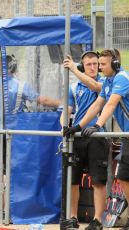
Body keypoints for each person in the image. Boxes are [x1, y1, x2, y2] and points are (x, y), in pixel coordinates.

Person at [65, 49, 129, 230]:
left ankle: (102, 219)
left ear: (115, 64)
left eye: (102, 64)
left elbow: (111, 104)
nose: (99, 68)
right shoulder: (109, 81)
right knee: (124, 177)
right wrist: (78, 127)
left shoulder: (121, 78)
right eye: (96, 64)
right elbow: (97, 105)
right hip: (127, 135)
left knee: (122, 177)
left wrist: (98, 125)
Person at [62, 51, 109, 230]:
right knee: (73, 179)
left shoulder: (104, 81)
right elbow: (67, 109)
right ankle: (73, 217)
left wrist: (74, 69)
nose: (92, 67)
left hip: (97, 137)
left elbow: (96, 87)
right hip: (77, 137)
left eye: (95, 64)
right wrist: (63, 124)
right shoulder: (73, 87)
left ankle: (97, 220)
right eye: (88, 64)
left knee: (98, 180)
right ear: (83, 66)